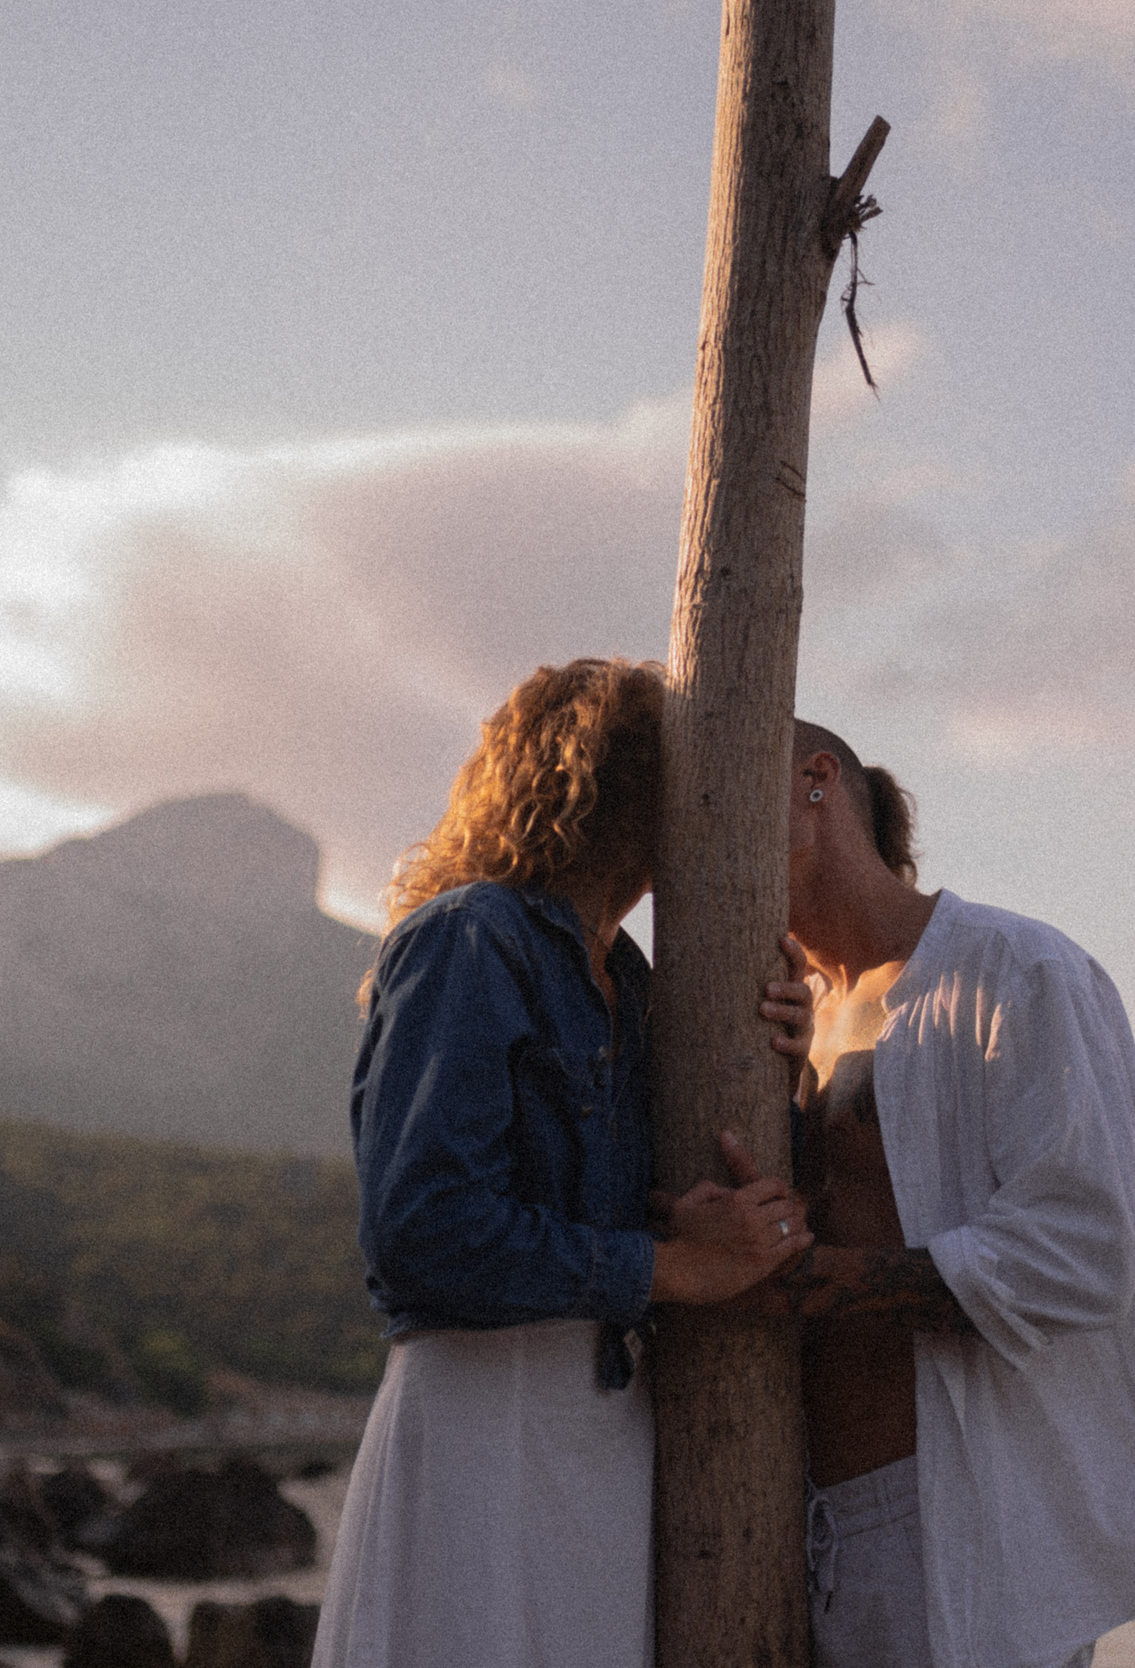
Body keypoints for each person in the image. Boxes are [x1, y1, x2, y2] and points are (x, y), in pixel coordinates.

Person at [313, 658, 817, 1668]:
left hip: (601, 1435)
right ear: (628, 786)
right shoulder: (472, 939)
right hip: (483, 1424)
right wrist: (674, 1267)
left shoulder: (631, 977)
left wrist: (791, 1069)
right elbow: (424, 1233)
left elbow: (686, 1202)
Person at [769, 720, 1135, 1668]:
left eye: (720, 799)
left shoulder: (1016, 970)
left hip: (954, 1527)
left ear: (814, 783)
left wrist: (805, 1283)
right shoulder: (800, 1012)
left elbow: (1080, 1253)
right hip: (802, 1530)